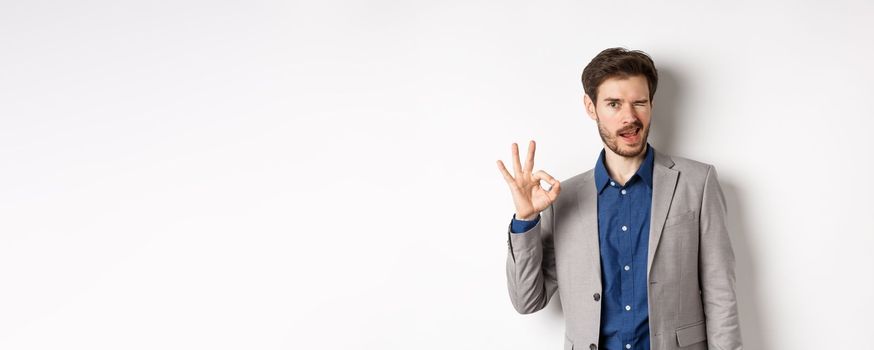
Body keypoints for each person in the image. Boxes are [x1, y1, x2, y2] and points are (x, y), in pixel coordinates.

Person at [496, 48, 742, 350]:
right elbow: (526, 300)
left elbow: (721, 294)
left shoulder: (697, 182)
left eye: (639, 102)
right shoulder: (563, 199)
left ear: (651, 104)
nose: (630, 117)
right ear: (591, 107)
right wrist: (526, 220)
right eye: (614, 104)